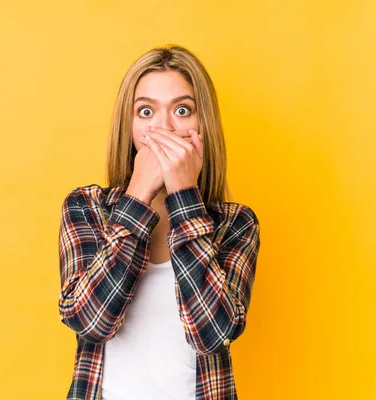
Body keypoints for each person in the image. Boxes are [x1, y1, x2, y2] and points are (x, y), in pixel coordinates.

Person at [57, 44, 261, 400]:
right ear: (130, 126)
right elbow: (89, 320)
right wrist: (137, 195)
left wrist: (184, 195)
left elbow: (213, 332)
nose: (163, 127)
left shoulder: (236, 224)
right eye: (146, 111)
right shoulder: (86, 208)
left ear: (203, 125)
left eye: (182, 110)